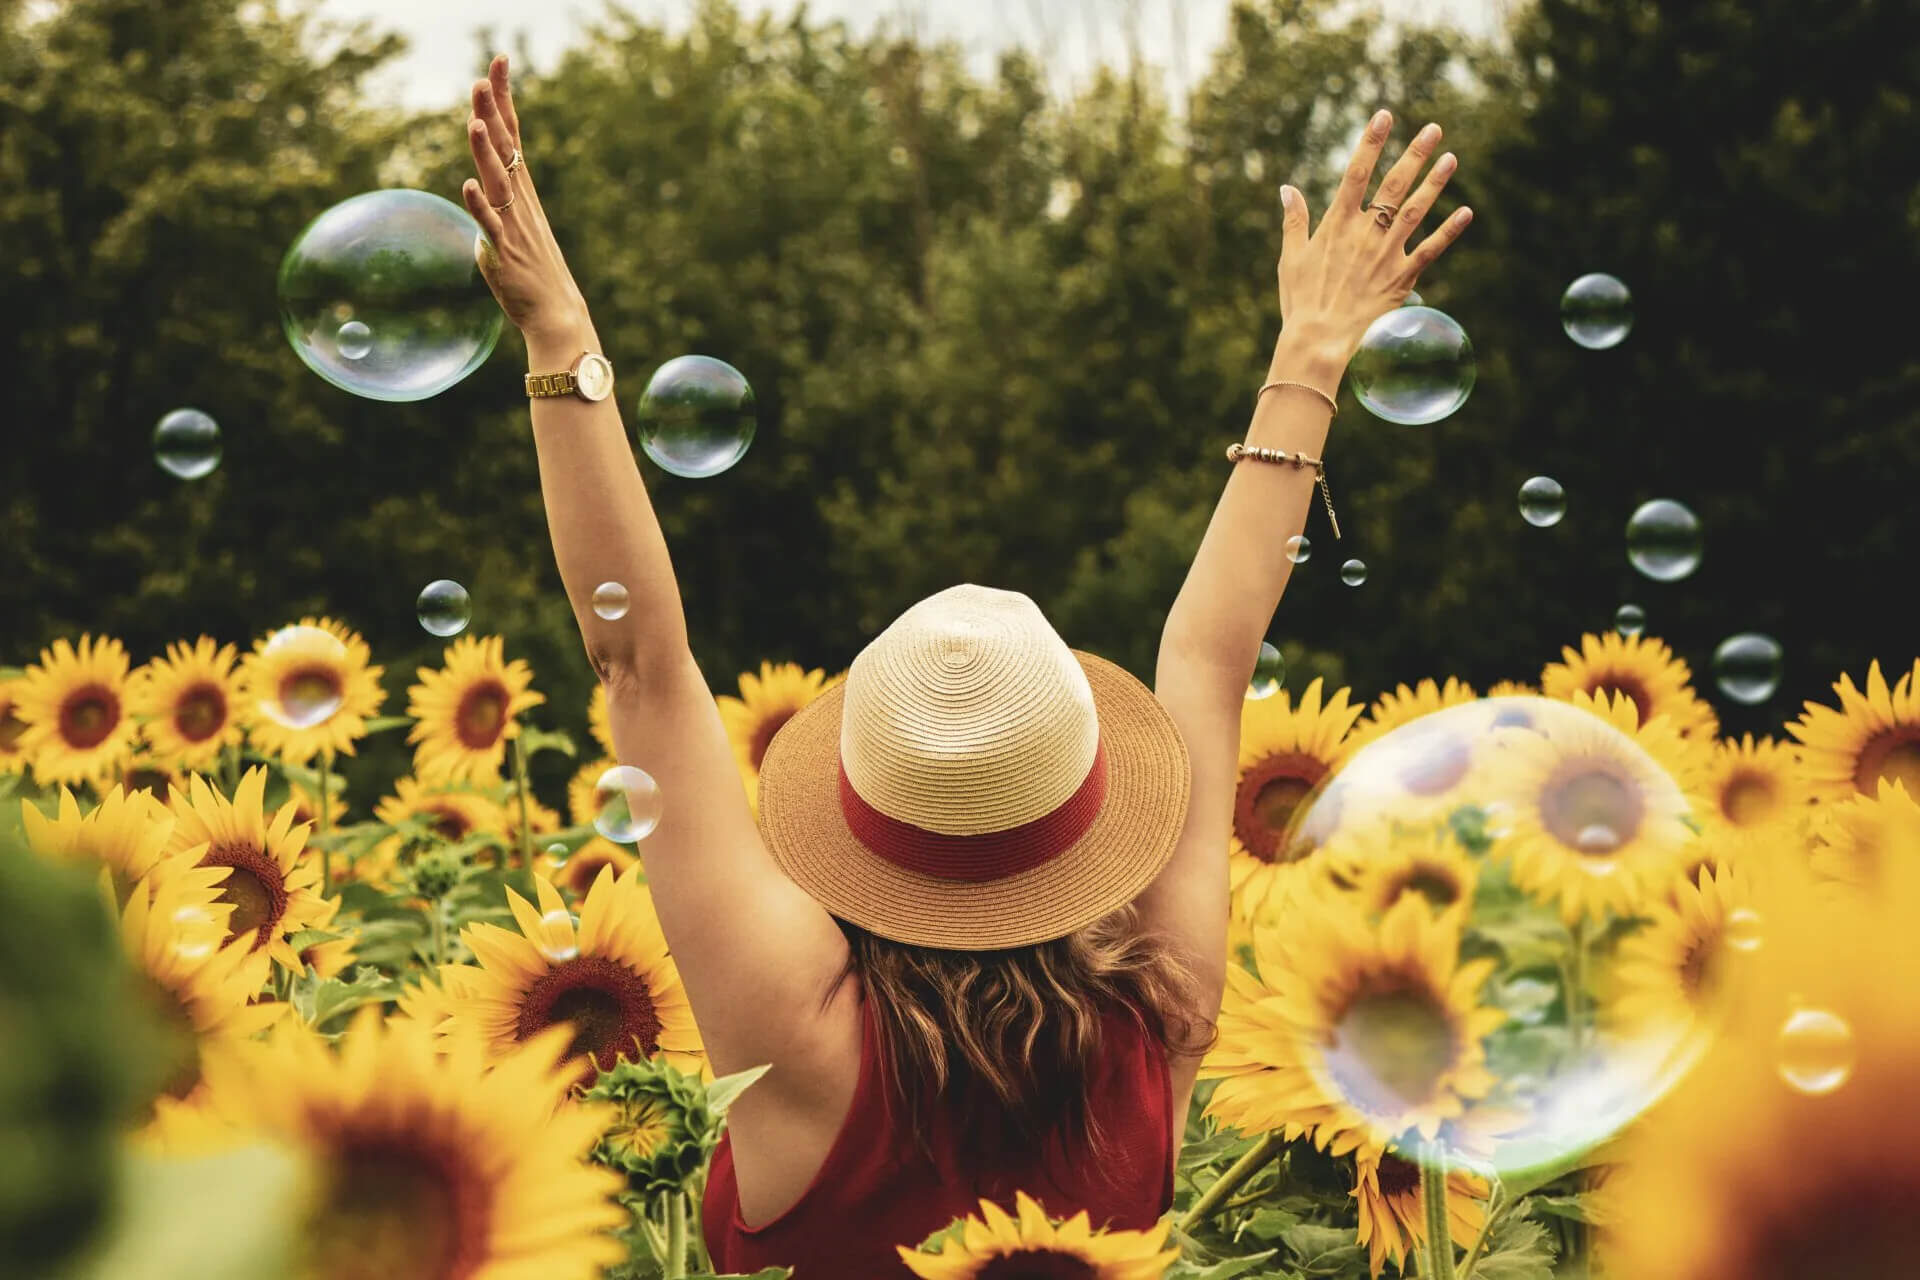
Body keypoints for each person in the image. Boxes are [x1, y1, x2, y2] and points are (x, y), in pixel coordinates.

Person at [457, 54, 1469, 1277]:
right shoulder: (1158, 1020)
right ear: (1085, 807)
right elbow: (1207, 660)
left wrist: (562, 338)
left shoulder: (798, 1034)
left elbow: (640, 667)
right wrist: (1310, 354)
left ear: (862, 808)